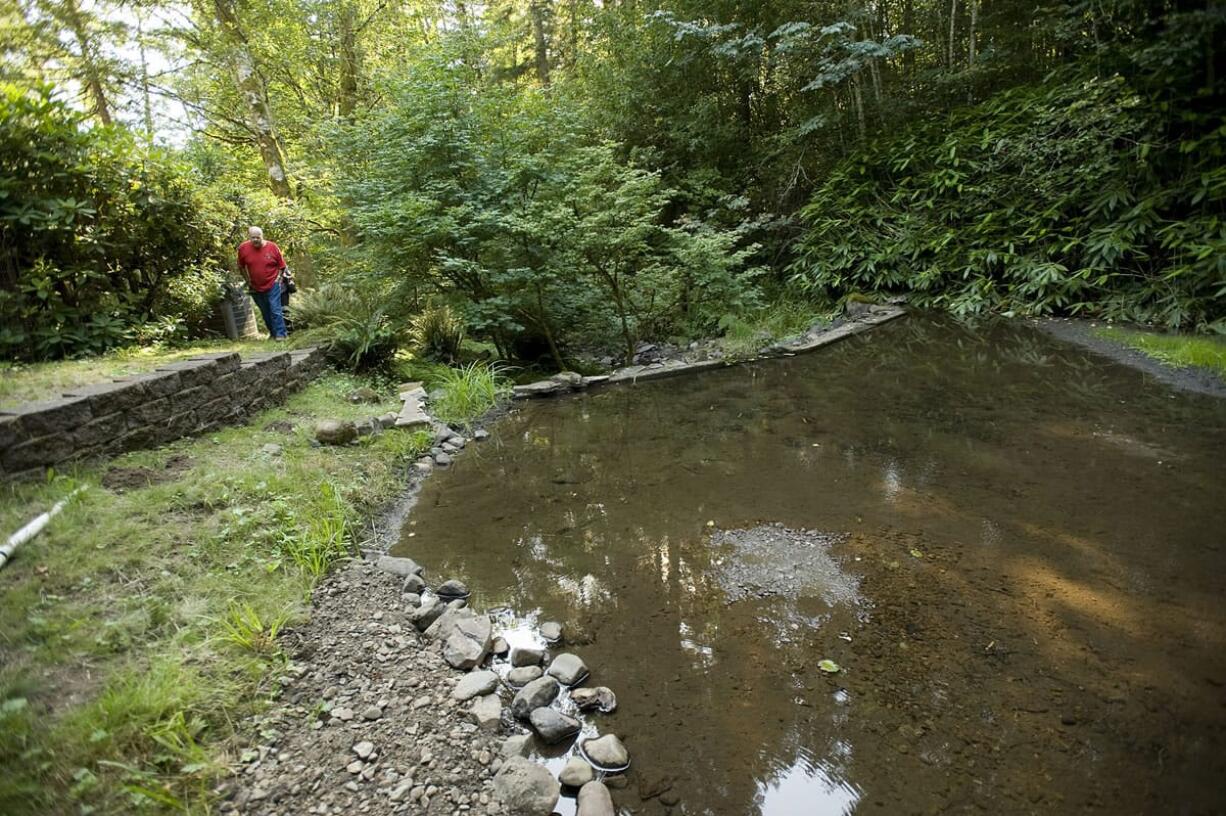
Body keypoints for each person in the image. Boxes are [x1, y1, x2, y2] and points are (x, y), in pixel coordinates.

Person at [236, 226, 288, 340]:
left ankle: (281, 334)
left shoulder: (272, 247)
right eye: (252, 238)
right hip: (255, 286)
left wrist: (278, 279)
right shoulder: (243, 248)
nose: (255, 240)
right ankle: (273, 333)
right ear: (249, 237)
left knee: (275, 309)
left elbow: (282, 266)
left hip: (272, 283)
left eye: (257, 237)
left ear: (262, 236)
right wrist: (247, 280)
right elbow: (241, 267)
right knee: (265, 312)